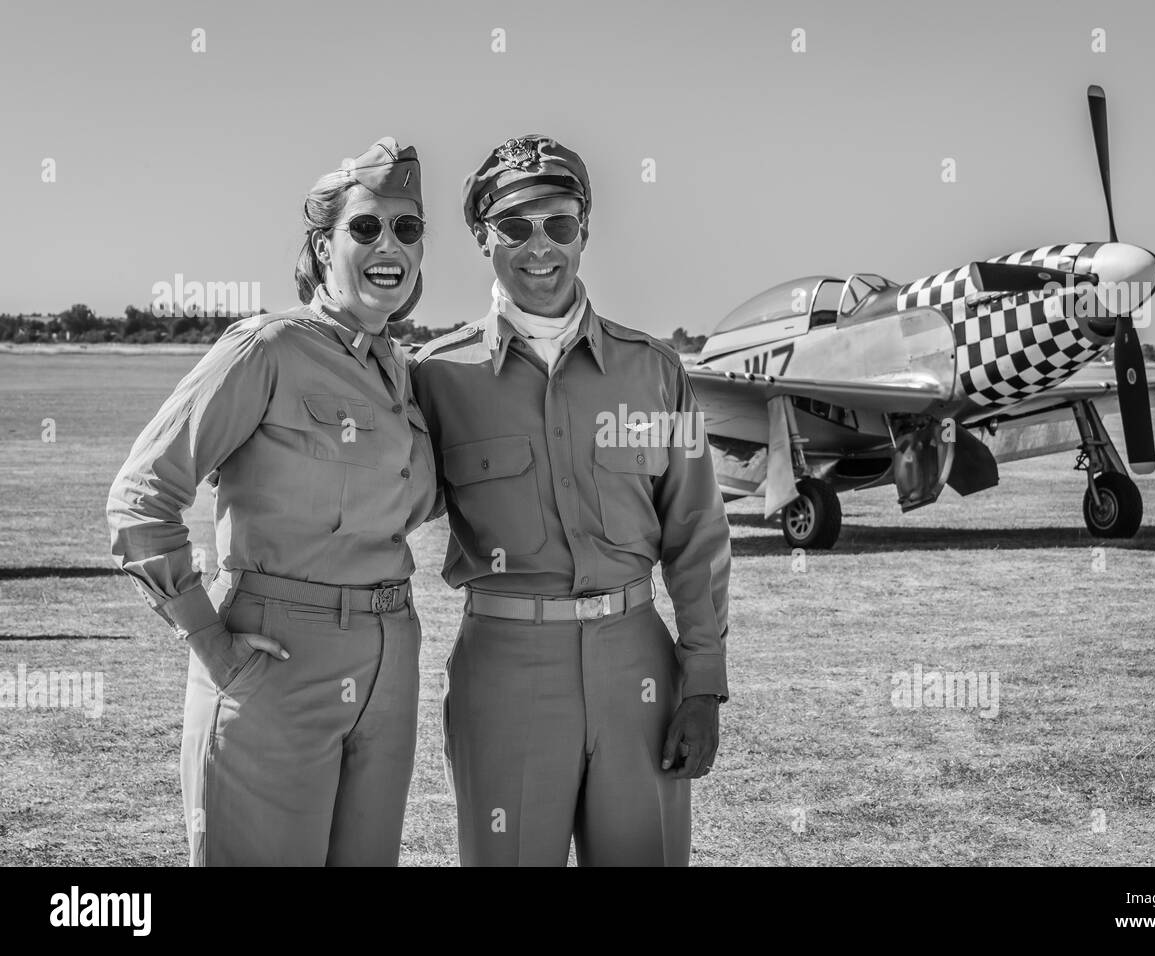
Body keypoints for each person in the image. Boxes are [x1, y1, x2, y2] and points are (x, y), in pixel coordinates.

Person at [106, 137, 438, 866]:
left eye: (407, 228)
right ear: (322, 248)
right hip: (276, 662)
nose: (390, 244)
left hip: (390, 665)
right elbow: (140, 500)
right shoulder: (266, 349)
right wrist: (209, 641)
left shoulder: (401, 372)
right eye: (365, 227)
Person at [410, 134, 731, 866]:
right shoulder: (436, 378)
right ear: (481, 238)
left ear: (584, 229)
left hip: (638, 667)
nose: (539, 247)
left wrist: (704, 683)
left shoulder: (654, 371)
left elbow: (697, 534)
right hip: (505, 669)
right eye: (515, 228)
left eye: (559, 223)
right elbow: (377, 500)